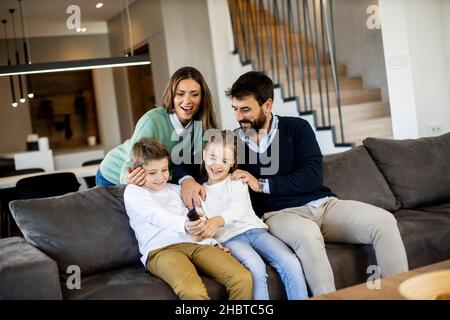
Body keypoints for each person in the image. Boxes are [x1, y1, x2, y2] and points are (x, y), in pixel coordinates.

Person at [176, 71, 409, 296]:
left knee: (384, 221)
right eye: (235, 109)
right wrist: (186, 180)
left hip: (325, 206)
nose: (238, 116)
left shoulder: (297, 128)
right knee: (308, 235)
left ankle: (399, 295)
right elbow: (184, 161)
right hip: (280, 214)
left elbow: (312, 176)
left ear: (267, 105)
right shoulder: (232, 141)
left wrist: (262, 183)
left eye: (245, 109)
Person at [123, 137, 253, 300]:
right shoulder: (134, 192)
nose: (160, 177)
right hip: (162, 250)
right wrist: (185, 225)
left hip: (197, 244)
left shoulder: (177, 189)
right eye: (152, 172)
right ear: (133, 171)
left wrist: (212, 241)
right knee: (192, 291)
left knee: (242, 278)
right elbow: (156, 214)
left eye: (164, 170)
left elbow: (199, 215)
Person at [186, 130, 308, 300]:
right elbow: (201, 224)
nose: (217, 165)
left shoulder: (237, 180)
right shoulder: (200, 191)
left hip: (255, 231)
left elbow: (238, 209)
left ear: (232, 162)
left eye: (225, 160)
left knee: (290, 261)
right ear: (204, 155)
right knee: (255, 267)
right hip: (230, 239)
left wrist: (216, 220)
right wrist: (208, 238)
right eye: (212, 157)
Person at [96, 66, 218, 186]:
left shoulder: (200, 126)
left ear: (202, 97)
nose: (187, 101)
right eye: (180, 94)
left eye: (194, 94)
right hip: (113, 175)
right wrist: (128, 178)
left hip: (154, 181)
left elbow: (197, 165)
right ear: (172, 96)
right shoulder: (152, 120)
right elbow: (131, 162)